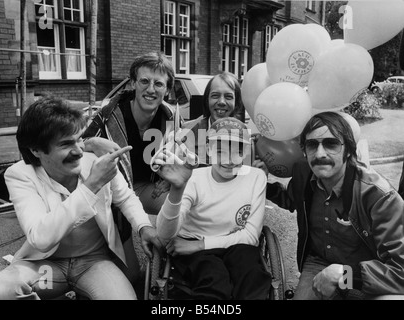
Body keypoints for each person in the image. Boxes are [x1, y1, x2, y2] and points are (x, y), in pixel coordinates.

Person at [0, 96, 162, 300]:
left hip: (93, 263)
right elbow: (40, 238)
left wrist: (144, 226)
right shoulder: (19, 174)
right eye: (66, 144)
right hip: (46, 265)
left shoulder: (96, 162)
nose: (79, 150)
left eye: (80, 139)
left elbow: (125, 198)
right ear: (35, 150)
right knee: (2, 289)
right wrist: (91, 186)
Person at [266, 111, 404, 300]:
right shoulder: (303, 174)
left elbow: (400, 271)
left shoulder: (379, 196)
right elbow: (291, 200)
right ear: (304, 150)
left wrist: (345, 276)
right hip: (318, 263)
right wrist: (260, 182)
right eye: (312, 145)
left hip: (364, 272)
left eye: (331, 144)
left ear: (348, 150)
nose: (320, 153)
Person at [154, 117, 272, 300]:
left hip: (227, 245)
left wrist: (200, 244)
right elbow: (164, 234)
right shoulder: (193, 178)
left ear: (246, 151)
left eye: (237, 151)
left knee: (251, 272)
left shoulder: (256, 178)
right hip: (195, 246)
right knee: (213, 277)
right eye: (220, 151)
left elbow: (250, 237)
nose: (228, 160)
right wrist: (177, 189)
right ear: (208, 150)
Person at [83, 51, 178, 216]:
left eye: (159, 84)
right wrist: (92, 142)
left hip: (145, 188)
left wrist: (171, 179)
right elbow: (77, 144)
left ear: (168, 89)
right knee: (120, 240)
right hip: (109, 191)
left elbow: (183, 150)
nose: (150, 89)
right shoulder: (110, 114)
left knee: (180, 205)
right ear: (133, 83)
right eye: (144, 81)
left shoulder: (171, 117)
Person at [182, 71, 265, 171]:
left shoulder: (248, 137)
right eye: (215, 95)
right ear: (207, 100)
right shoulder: (187, 132)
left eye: (228, 97)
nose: (221, 102)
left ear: (237, 102)